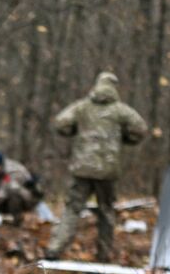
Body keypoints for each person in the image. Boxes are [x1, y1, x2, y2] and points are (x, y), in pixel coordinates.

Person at [44, 71, 148, 261]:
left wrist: (76, 131)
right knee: (106, 211)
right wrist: (124, 139)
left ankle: (54, 249)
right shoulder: (120, 111)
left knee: (73, 209)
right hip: (107, 171)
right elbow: (140, 129)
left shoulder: (82, 107)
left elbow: (61, 123)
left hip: (82, 168)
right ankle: (103, 255)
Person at [0, 152, 39, 224]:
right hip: (11, 195)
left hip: (29, 199)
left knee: (13, 190)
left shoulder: (13, 172)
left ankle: (18, 220)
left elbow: (2, 193)